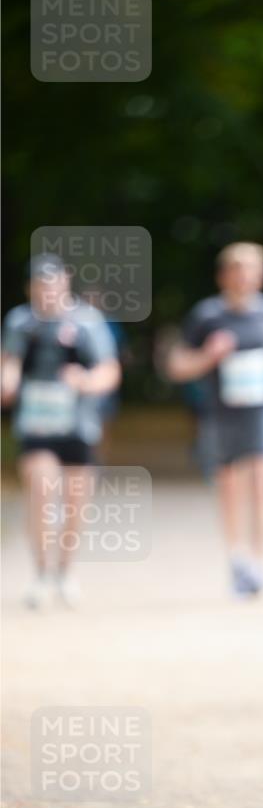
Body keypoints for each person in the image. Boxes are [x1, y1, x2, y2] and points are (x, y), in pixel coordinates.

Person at [167, 242, 263, 597]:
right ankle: (237, 558)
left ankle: (260, 564)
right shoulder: (207, 315)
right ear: (223, 276)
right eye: (237, 270)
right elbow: (177, 365)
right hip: (222, 413)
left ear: (261, 275)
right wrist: (209, 356)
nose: (244, 278)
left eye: (252, 270)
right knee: (230, 485)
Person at [1, 254, 121, 608]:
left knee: (74, 505)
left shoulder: (87, 322)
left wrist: (85, 382)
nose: (47, 291)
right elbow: (9, 361)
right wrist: (7, 379)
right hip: (35, 424)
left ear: (65, 283)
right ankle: (40, 573)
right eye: (40, 285)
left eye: (53, 284)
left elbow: (109, 370)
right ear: (31, 287)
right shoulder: (20, 321)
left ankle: (65, 572)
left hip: (79, 427)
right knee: (40, 490)